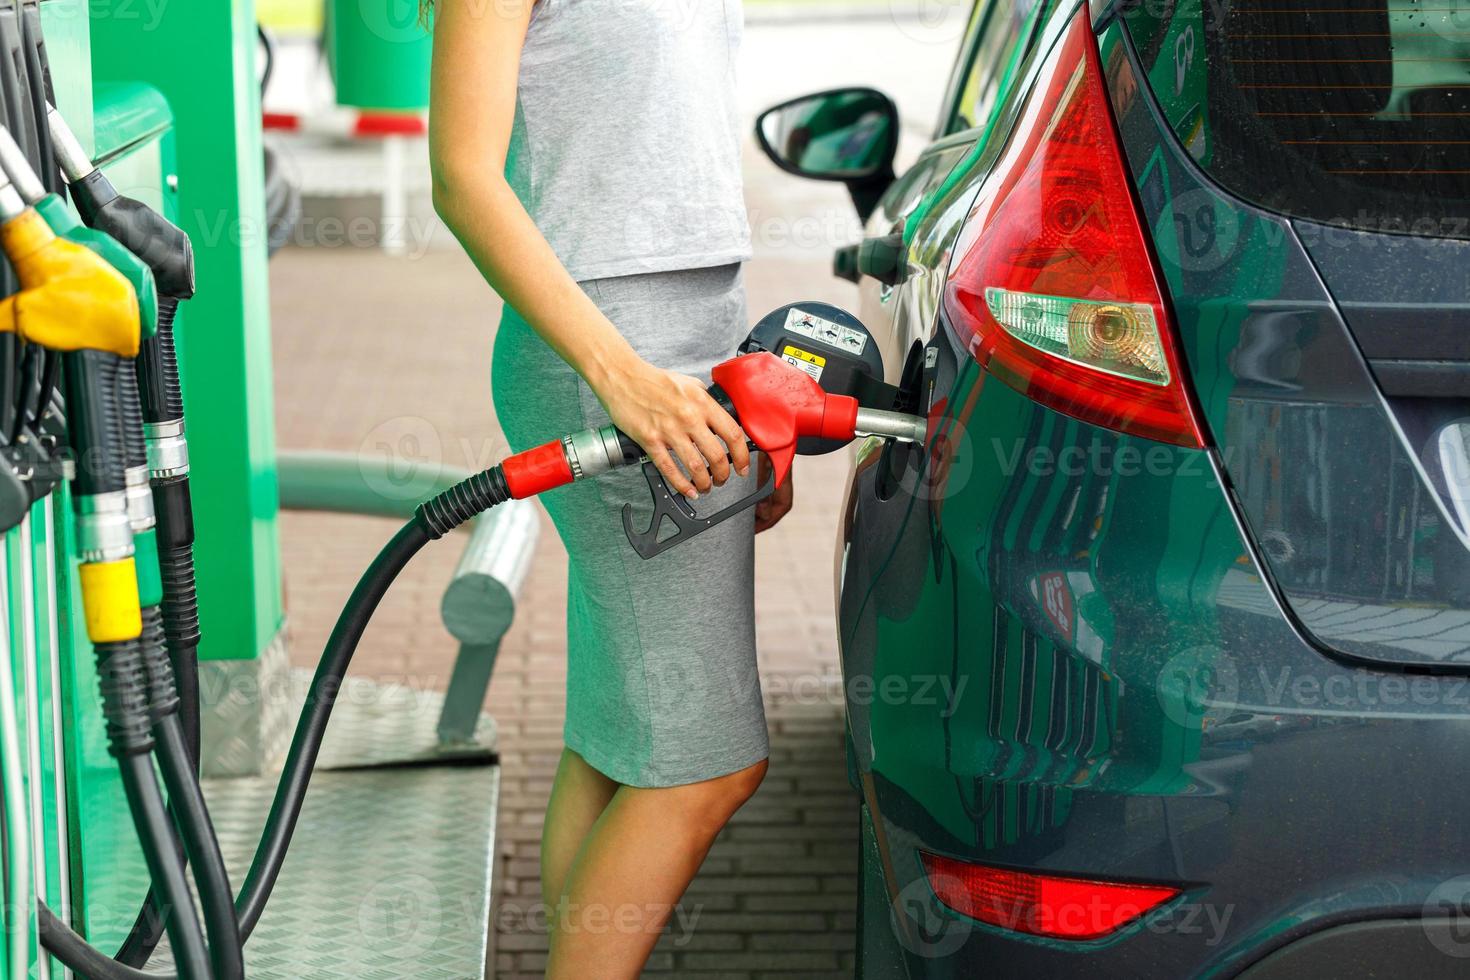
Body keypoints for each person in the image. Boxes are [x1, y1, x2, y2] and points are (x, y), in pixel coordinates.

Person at [426, 1, 793, 975]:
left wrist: (743, 379)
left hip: (695, 332)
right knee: (709, 763)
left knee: (615, 732)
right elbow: (463, 175)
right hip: (608, 345)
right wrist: (623, 375)